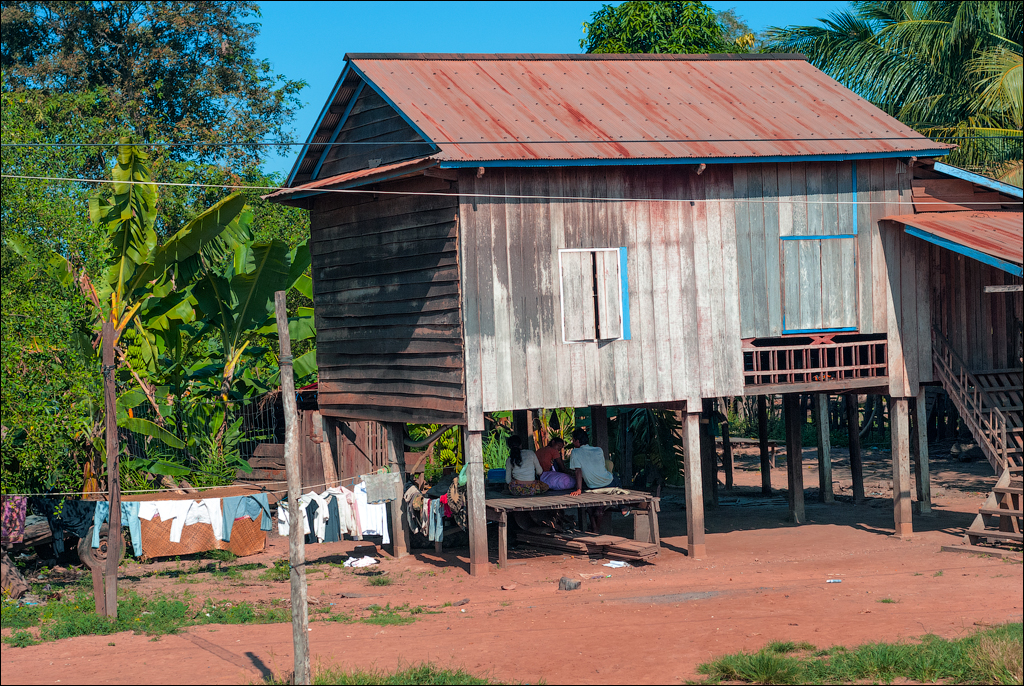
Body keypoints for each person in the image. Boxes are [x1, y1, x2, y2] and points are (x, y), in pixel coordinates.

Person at [568, 428, 619, 497]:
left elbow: (578, 471)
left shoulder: (575, 452)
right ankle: (623, 507)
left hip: (593, 486)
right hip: (610, 483)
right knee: (616, 479)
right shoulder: (599, 450)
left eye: (573, 440)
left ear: (577, 441)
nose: (573, 442)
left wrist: (579, 489)